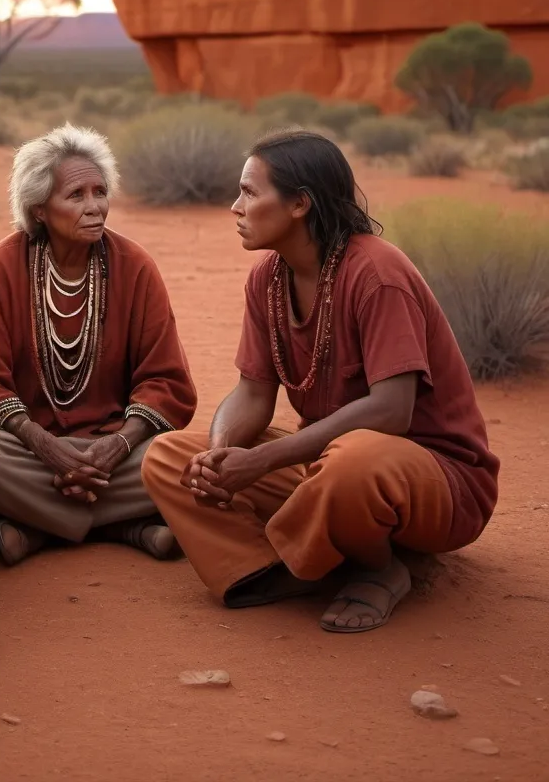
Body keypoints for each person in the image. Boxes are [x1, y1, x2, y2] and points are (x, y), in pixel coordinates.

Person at [142, 129, 500, 633]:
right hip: (325, 468)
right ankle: (282, 568)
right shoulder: (267, 278)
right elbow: (251, 392)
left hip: (435, 483)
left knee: (354, 461)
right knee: (169, 457)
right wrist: (222, 455)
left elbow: (391, 411)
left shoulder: (377, 273)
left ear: (298, 204)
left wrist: (262, 459)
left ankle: (378, 568)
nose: (233, 207)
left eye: (248, 192)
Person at [0, 124, 197, 566]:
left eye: (100, 191)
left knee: (184, 462)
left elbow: (166, 380)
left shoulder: (134, 266)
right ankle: (125, 526)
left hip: (119, 453)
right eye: (76, 195)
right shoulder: (2, 266)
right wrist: (44, 445)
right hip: (27, 453)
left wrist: (119, 445)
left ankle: (39, 528)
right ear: (40, 209)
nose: (95, 207)